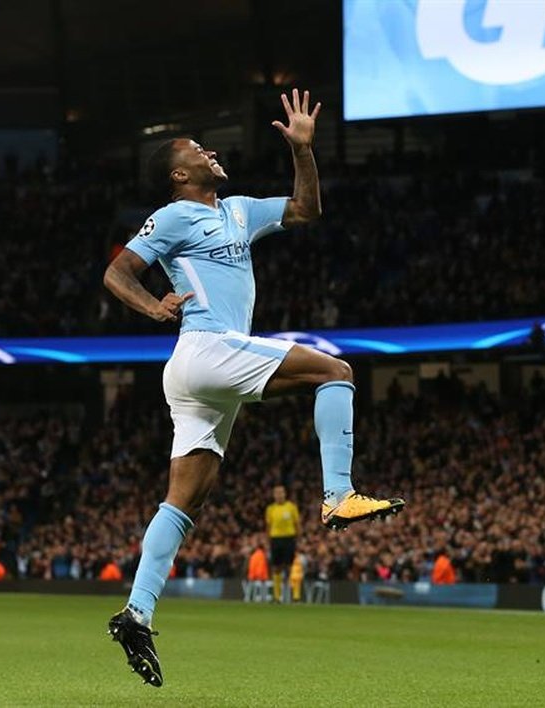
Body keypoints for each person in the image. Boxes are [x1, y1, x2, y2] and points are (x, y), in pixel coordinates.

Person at [103, 88, 404, 687]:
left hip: (200, 377)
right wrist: (154, 308)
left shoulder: (238, 209)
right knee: (336, 372)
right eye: (197, 149)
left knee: (185, 499)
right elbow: (117, 272)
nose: (210, 151)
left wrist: (302, 152)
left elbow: (304, 211)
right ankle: (338, 494)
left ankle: (136, 612)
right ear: (179, 172)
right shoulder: (171, 216)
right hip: (205, 348)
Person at [265, 485, 300, 602]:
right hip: (275, 539)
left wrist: (298, 539)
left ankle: (295, 596)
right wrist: (268, 540)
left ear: (285, 494)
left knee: (290, 567)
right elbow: (268, 527)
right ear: (274, 495)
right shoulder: (270, 509)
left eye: (281, 492)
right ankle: (277, 596)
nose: (279, 495)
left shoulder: (291, 507)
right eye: (277, 493)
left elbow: (297, 524)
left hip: (289, 539)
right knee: (276, 568)